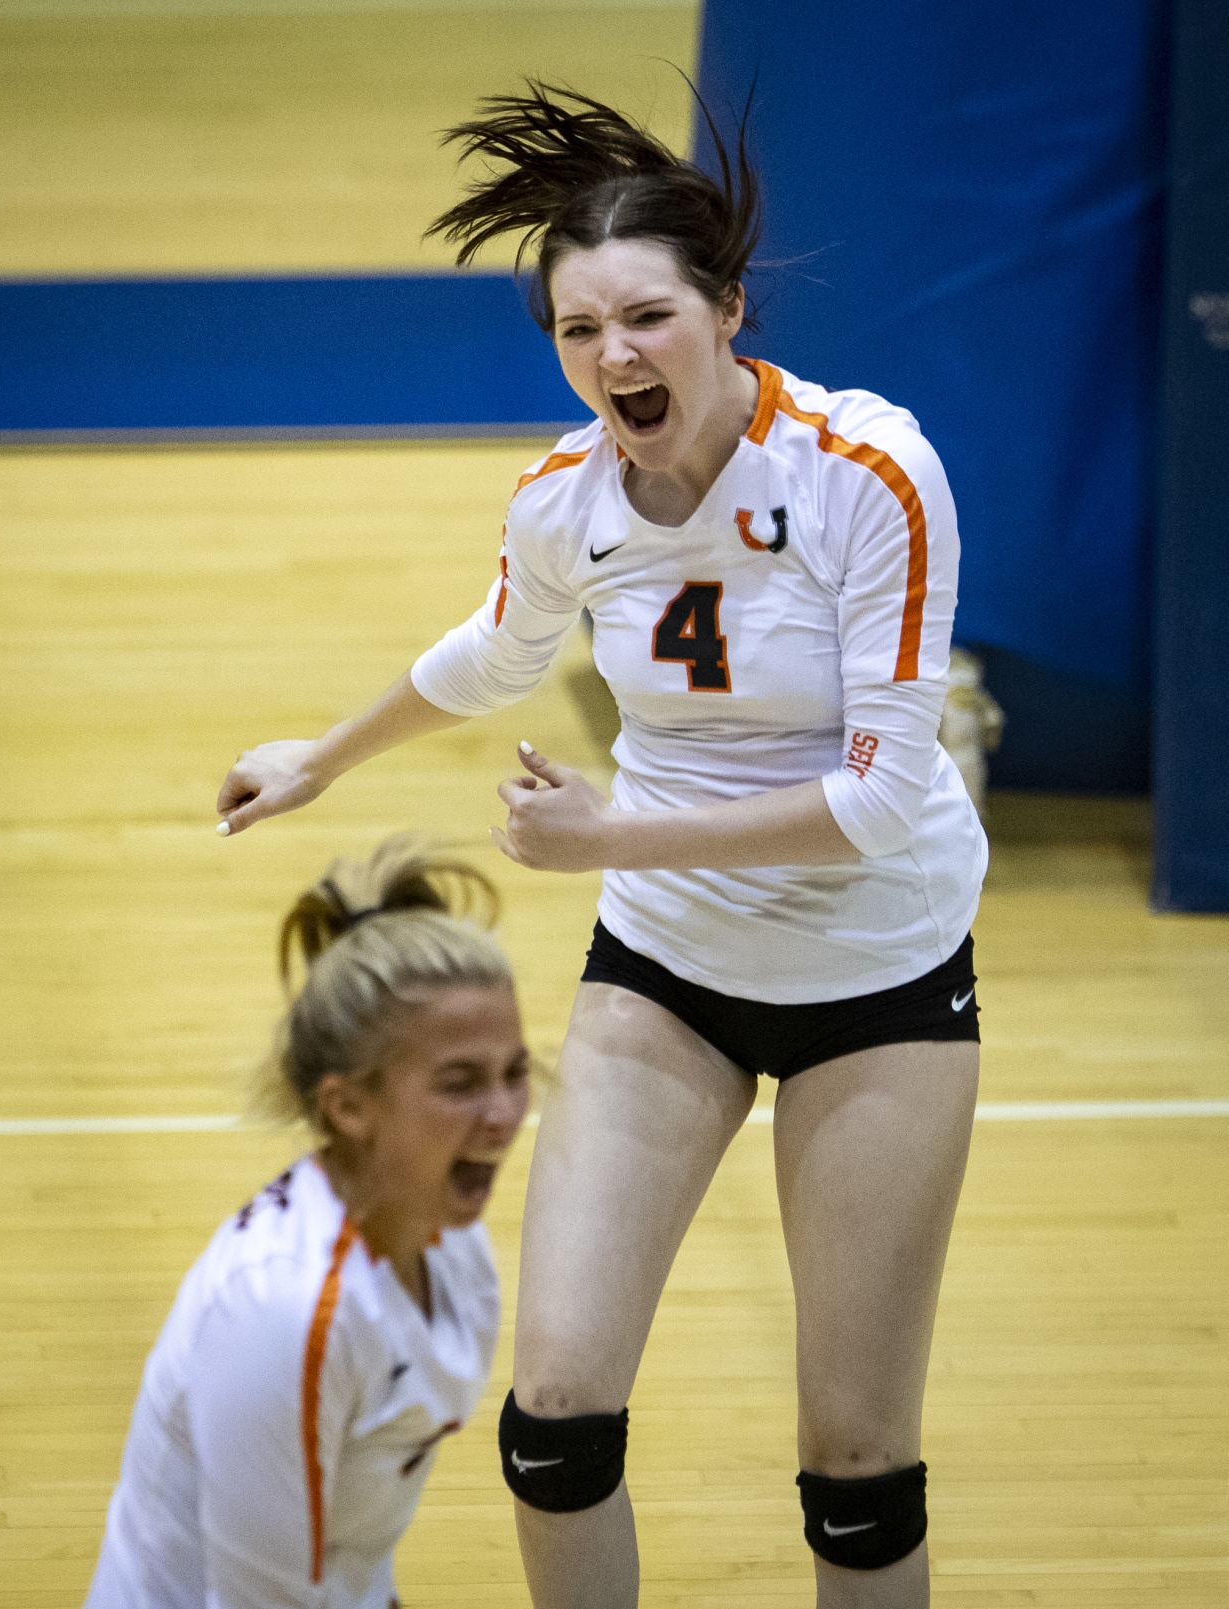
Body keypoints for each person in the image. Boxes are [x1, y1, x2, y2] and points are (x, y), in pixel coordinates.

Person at [215, 84, 987, 1609]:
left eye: (645, 317)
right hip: (667, 967)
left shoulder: (866, 472)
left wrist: (609, 832)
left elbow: (880, 799)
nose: (614, 357)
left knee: (854, 1462)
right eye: (579, 332)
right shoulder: (567, 498)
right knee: (552, 1419)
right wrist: (320, 753)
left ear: (726, 309)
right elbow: (495, 653)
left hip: (876, 979)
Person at [84, 838, 531, 1609]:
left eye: (515, 1072)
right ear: (347, 1105)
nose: (503, 1115)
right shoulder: (288, 1311)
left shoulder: (451, 1239)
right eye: (459, 1083)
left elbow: (347, 1557)